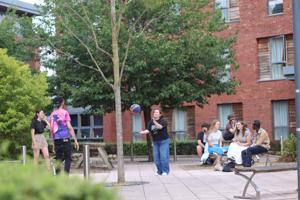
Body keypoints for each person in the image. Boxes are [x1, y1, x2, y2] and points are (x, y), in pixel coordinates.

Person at [49, 96, 79, 174]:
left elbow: (51, 129)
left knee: (58, 159)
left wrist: (53, 143)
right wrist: (75, 140)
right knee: (68, 158)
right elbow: (69, 127)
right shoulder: (65, 112)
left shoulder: (52, 114)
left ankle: (58, 178)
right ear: (62, 103)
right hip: (65, 138)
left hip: (56, 140)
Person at [140, 108, 170, 176]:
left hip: (164, 141)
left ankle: (165, 171)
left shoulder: (163, 120)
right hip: (155, 142)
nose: (155, 113)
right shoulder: (151, 122)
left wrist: (155, 122)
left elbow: (160, 127)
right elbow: (148, 130)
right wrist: (143, 132)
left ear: (160, 114)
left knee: (163, 156)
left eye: (156, 112)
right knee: (156, 158)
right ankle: (159, 171)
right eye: (154, 112)